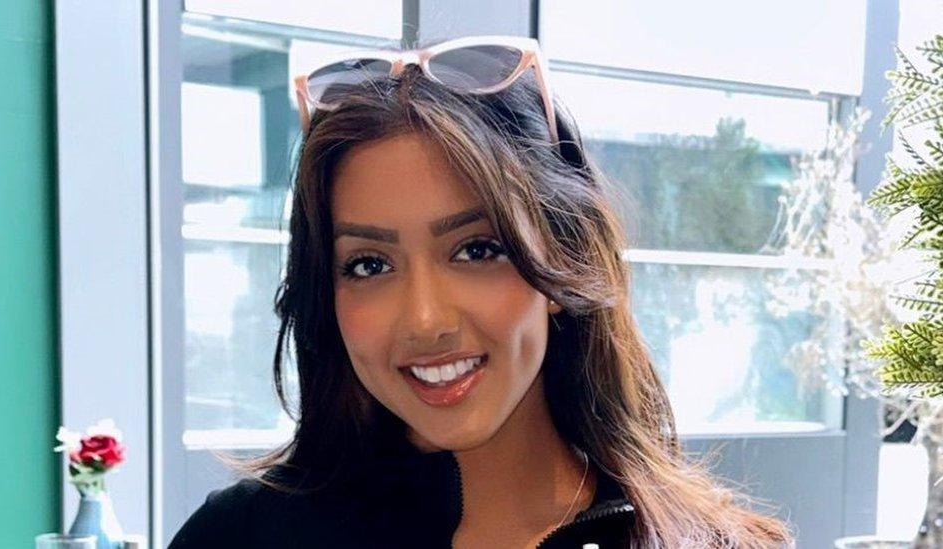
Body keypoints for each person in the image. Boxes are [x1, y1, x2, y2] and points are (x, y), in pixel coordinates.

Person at [168, 35, 794, 548]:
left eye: (477, 250)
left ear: (561, 254)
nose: (425, 320)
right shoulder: (240, 536)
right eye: (367, 265)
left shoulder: (711, 543)